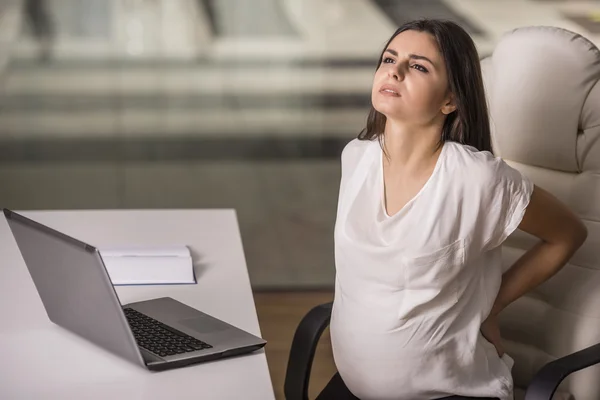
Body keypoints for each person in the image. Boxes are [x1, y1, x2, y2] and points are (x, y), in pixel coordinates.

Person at [327, 19, 588, 400]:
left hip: (448, 393)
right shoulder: (356, 158)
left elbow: (568, 234)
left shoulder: (477, 178)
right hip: (352, 387)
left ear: (450, 99)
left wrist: (493, 306)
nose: (394, 71)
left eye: (418, 66)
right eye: (389, 58)